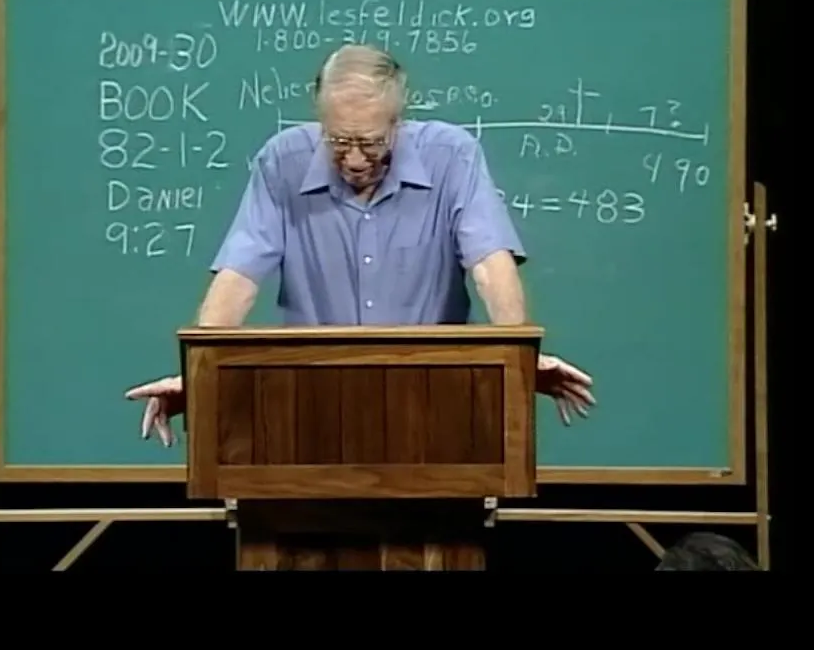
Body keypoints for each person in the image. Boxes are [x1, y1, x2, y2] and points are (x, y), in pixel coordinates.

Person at [125, 44, 596, 446]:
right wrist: (200, 373)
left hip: (432, 407)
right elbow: (239, 276)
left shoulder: (451, 156)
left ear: (397, 122)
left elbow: (491, 265)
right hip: (309, 410)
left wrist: (518, 359)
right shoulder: (282, 162)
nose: (353, 159)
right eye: (337, 140)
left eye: (371, 143)